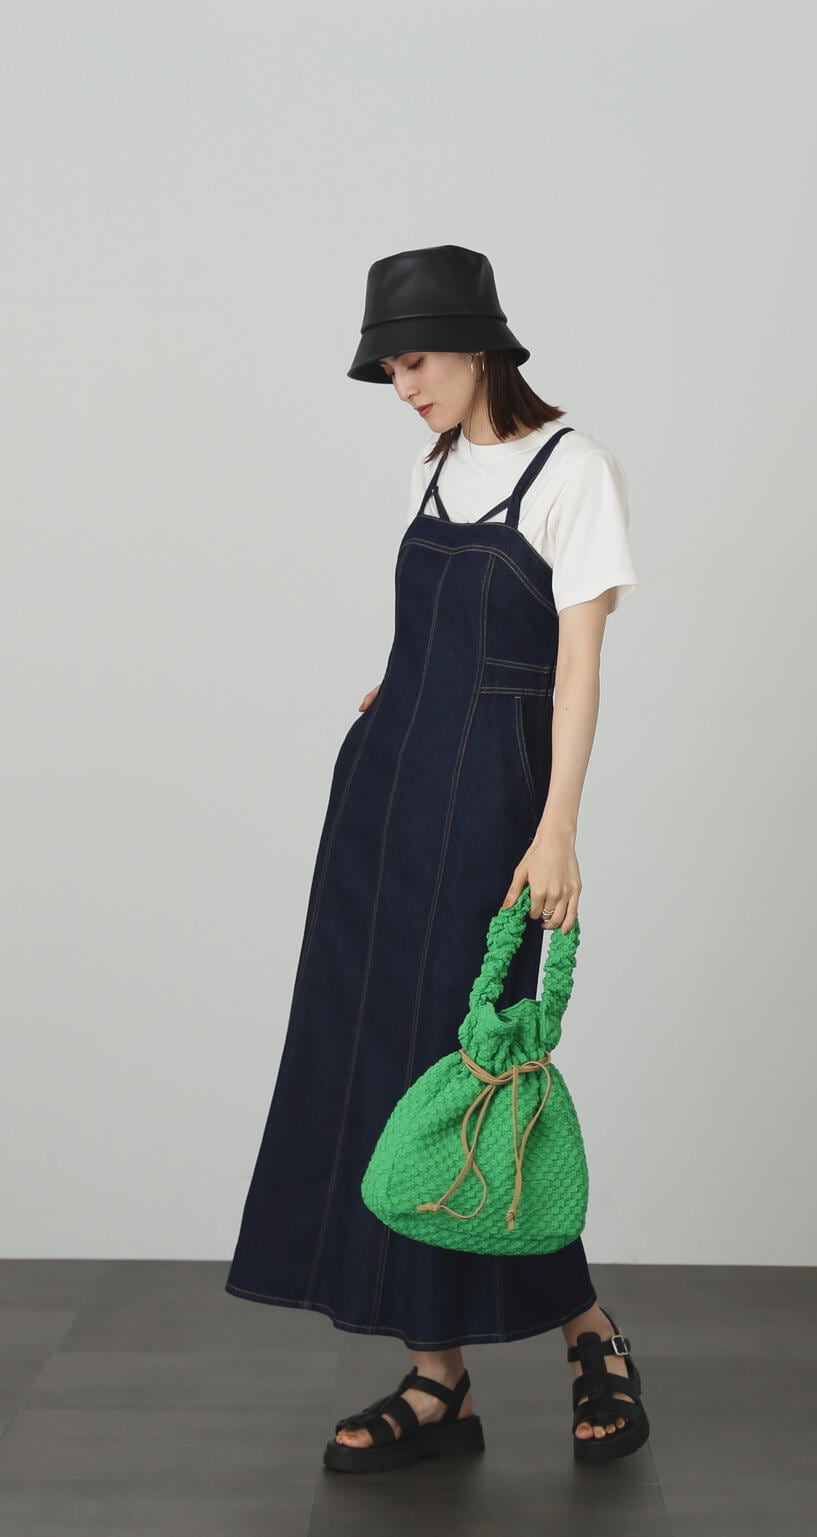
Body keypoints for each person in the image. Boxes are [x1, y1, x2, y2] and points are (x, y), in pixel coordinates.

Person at [224, 246, 649, 1471]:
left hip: (492, 806)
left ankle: (590, 1331)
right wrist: (399, 683)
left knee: (467, 1073)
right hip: (385, 796)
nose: (403, 387)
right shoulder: (437, 463)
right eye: (390, 370)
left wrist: (557, 826)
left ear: (477, 347)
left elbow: (576, 668)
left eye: (414, 361)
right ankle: (437, 1380)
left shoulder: (574, 470)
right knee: (369, 1067)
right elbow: (438, 626)